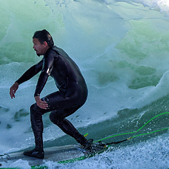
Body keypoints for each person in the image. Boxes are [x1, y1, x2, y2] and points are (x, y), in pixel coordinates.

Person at [9, 29, 102, 159]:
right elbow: (36, 69)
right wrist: (17, 82)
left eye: (35, 44)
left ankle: (38, 151)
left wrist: (37, 95)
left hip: (71, 93)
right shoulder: (56, 52)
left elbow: (45, 73)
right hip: (81, 93)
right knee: (55, 117)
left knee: (35, 109)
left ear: (45, 44)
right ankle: (84, 142)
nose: (33, 47)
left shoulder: (51, 55)